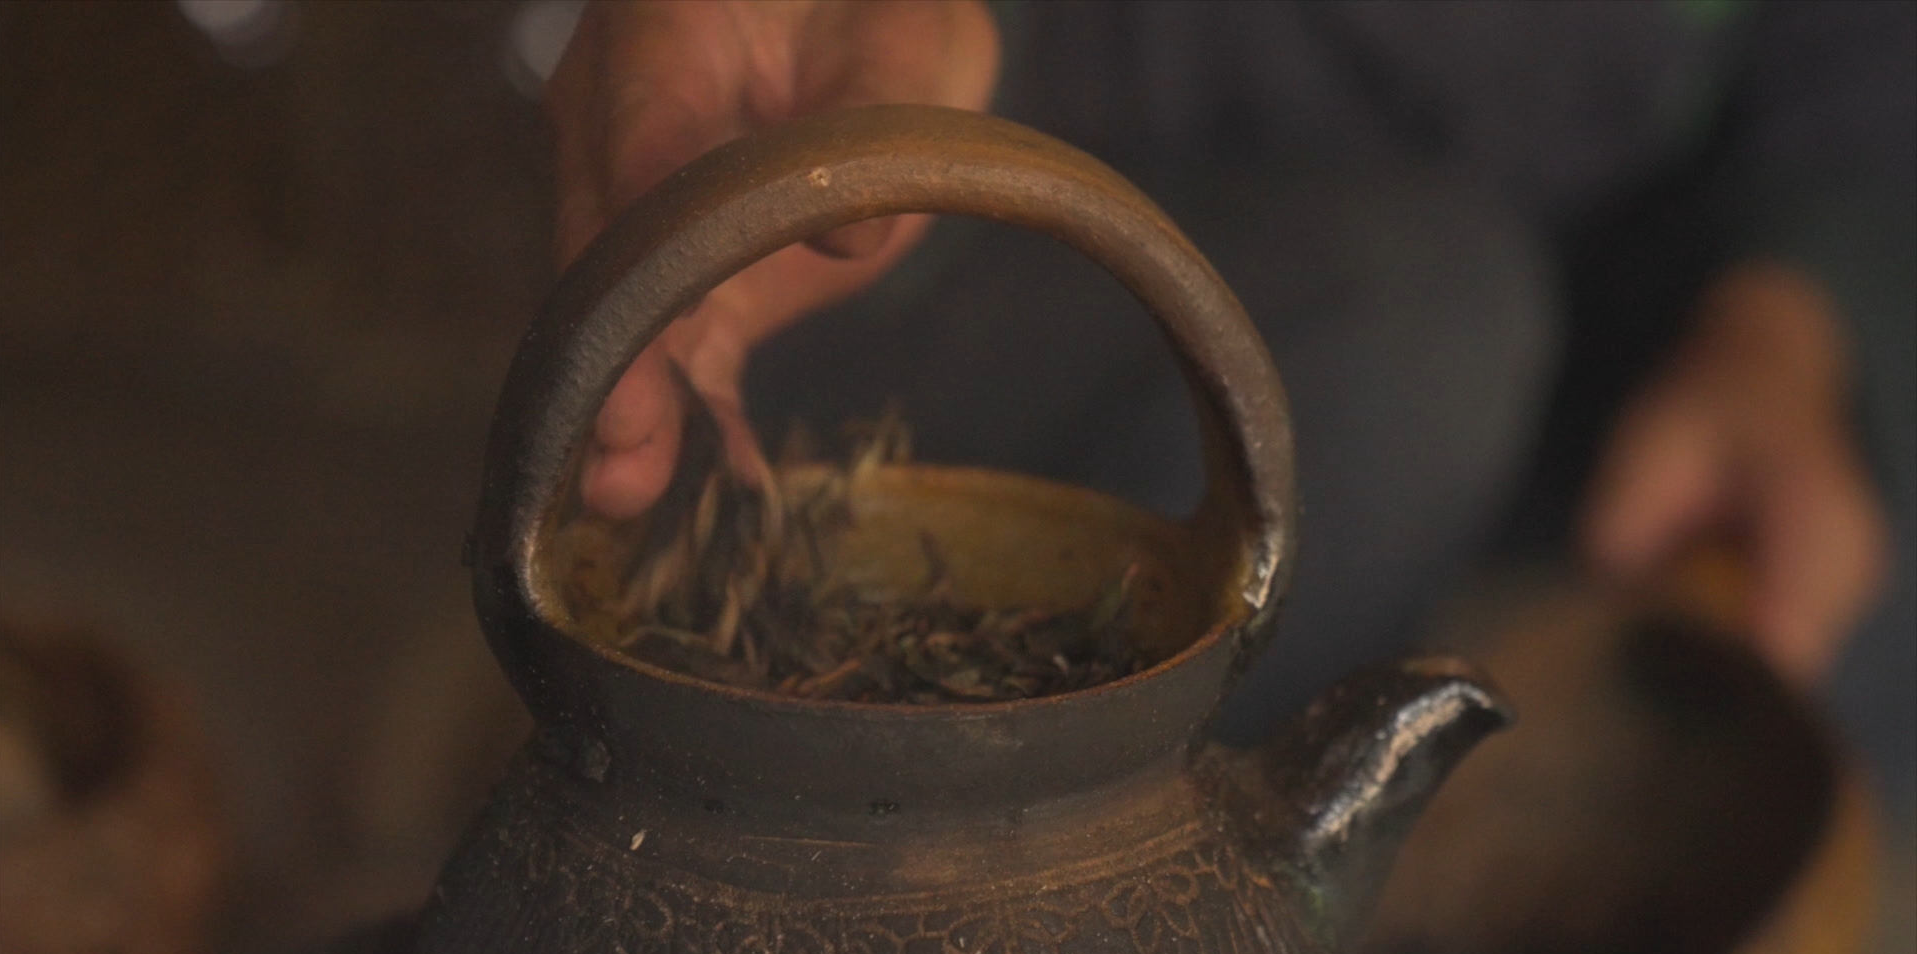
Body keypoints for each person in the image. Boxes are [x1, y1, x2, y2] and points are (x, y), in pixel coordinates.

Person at [541, 1, 1913, 762]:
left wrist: (1787, 323)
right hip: (959, 191)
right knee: (1422, 325)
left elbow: (1846, 55)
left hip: (1619, 272)